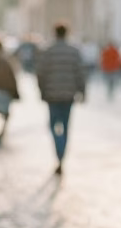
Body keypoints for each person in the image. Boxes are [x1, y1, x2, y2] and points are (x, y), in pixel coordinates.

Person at [36, 24, 86, 175]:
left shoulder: (48, 51)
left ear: (54, 33)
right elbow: (80, 73)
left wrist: (42, 90)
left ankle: (58, 150)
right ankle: (61, 155)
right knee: (65, 125)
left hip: (52, 95)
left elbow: (40, 73)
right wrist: (82, 91)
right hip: (68, 95)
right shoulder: (74, 52)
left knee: (52, 125)